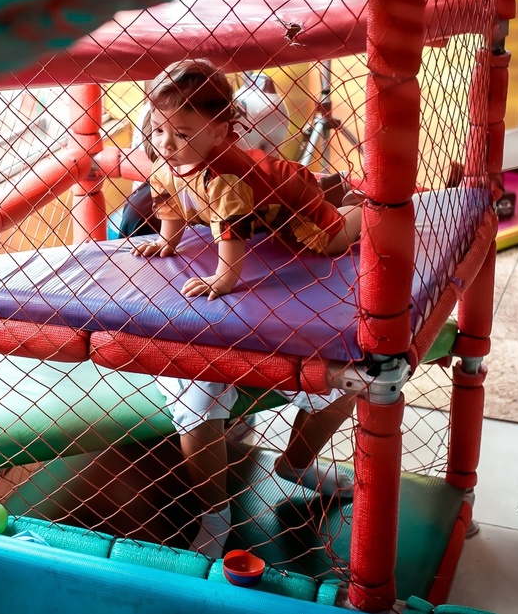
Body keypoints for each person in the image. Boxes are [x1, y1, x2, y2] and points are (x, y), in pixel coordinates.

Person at [129, 58, 363, 558]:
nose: (167, 144)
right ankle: (214, 513)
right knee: (193, 406)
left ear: (219, 131)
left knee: (332, 239)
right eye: (158, 130)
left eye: (183, 133)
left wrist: (224, 278)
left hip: (288, 205)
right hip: (255, 217)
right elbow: (168, 202)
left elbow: (229, 238)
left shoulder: (225, 173)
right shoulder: (167, 161)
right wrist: (167, 243)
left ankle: (361, 206)